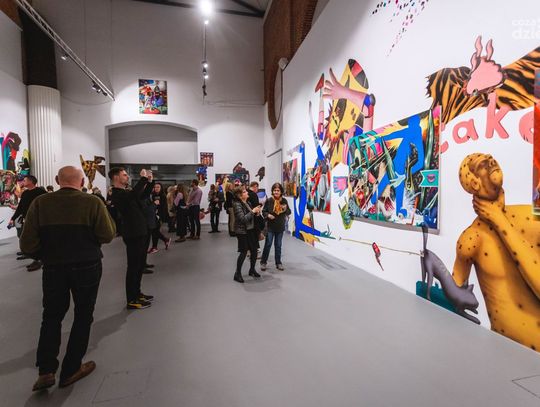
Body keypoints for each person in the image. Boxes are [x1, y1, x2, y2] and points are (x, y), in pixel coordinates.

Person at [20, 166, 115, 391]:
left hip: (53, 267)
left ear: (57, 180)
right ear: (82, 182)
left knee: (51, 316)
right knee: (83, 315)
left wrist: (44, 254)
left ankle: (46, 371)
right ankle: (71, 368)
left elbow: (27, 244)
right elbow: (107, 234)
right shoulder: (92, 202)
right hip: (87, 265)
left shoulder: (41, 203)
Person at [452, 153, 540, 351]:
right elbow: (453, 297)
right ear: (474, 183)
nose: (491, 160)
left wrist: (499, 219)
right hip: (503, 352)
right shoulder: (472, 239)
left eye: (490, 158)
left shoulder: (529, 216)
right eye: (482, 164)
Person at [109, 167, 154, 309]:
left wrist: (150, 182)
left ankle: (137, 293)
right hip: (133, 233)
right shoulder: (117, 194)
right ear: (116, 177)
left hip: (140, 231)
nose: (127, 177)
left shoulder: (126, 192)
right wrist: (143, 179)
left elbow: (142, 195)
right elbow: (134, 195)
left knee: (139, 265)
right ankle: (132, 299)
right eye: (124, 175)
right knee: (133, 267)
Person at [9, 175, 47, 271]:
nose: (23, 182)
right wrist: (13, 218)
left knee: (37, 239)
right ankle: (33, 256)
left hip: (38, 220)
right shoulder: (25, 193)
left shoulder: (41, 192)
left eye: (25, 180)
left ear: (30, 181)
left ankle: (38, 260)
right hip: (26, 220)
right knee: (25, 237)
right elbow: (20, 207)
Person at [232, 186, 262, 283]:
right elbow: (242, 219)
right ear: (239, 195)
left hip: (251, 230)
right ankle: (237, 273)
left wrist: (256, 213)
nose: (247, 193)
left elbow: (250, 216)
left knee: (254, 251)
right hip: (242, 231)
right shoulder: (237, 204)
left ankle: (252, 270)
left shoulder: (248, 203)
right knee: (243, 252)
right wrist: (253, 211)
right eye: (245, 192)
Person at [261, 183, 291, 271]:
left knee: (278, 245)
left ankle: (278, 263)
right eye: (274, 190)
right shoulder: (269, 200)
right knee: (268, 244)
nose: (276, 192)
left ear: (281, 191)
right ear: (272, 191)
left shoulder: (284, 201)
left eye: (278, 190)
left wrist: (285, 209)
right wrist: (268, 215)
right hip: (270, 226)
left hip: (280, 226)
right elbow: (264, 211)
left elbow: (289, 212)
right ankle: (263, 262)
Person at [148, 182, 171, 253]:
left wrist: (159, 216)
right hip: (153, 215)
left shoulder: (163, 196)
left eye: (158, 187)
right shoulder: (153, 195)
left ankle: (155, 247)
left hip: (159, 216)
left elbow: (164, 207)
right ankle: (165, 240)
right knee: (154, 231)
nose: (156, 188)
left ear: (161, 188)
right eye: (155, 187)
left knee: (154, 231)